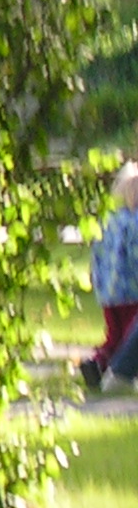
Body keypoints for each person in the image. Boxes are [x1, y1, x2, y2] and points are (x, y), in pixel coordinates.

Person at [85, 161, 138, 395]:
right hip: (132, 289)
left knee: (114, 336)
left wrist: (96, 280)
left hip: (108, 290)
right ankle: (118, 372)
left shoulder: (108, 221)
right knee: (129, 337)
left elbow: (96, 254)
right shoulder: (135, 222)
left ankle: (96, 363)